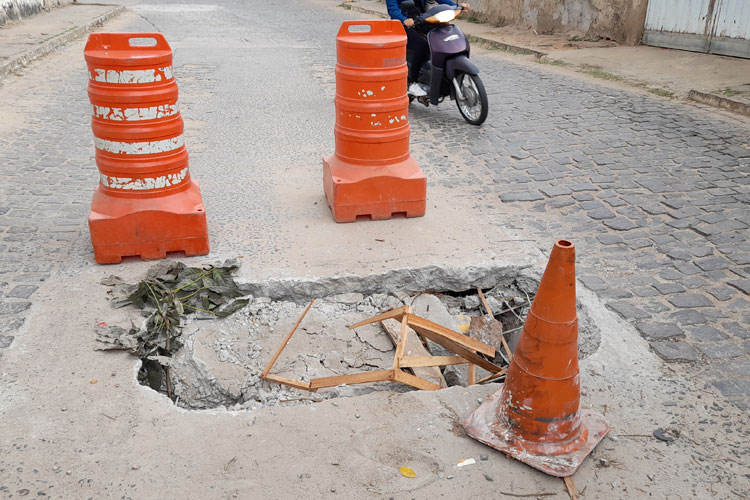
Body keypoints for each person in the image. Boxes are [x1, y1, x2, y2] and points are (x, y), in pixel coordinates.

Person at [386, 0, 470, 97]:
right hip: (404, 25)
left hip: (423, 20)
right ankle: (412, 83)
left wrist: (456, 6)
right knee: (422, 45)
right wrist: (404, 19)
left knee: (444, 34)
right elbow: (393, 10)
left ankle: (443, 71)